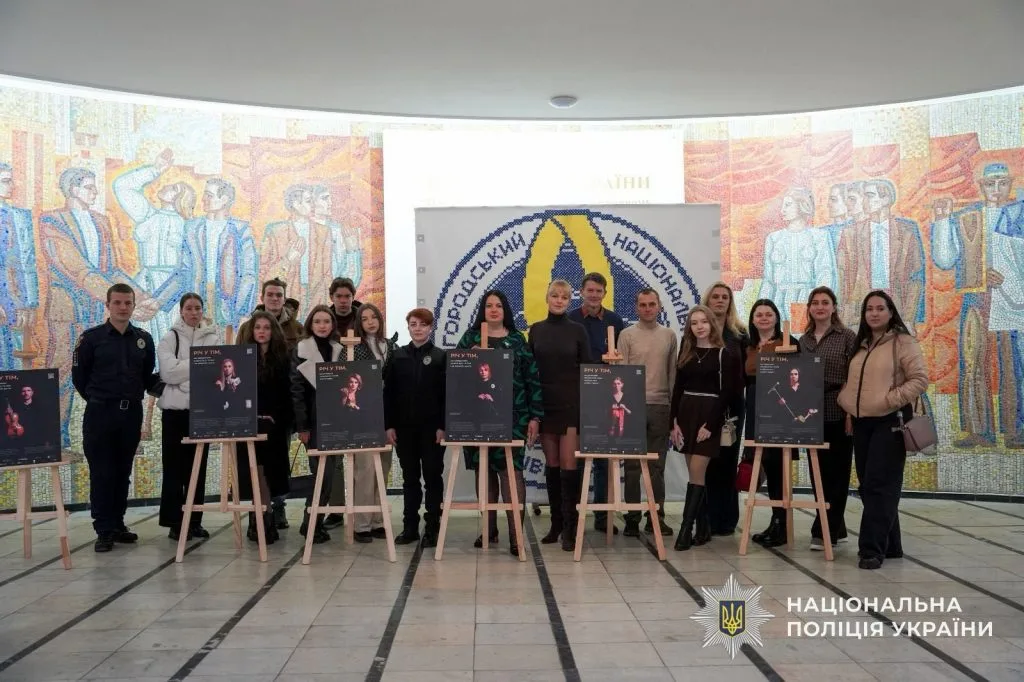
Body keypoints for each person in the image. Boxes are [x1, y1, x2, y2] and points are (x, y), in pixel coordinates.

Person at [838, 290, 928, 570]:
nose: (874, 313)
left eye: (880, 308)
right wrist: (849, 406)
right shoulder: (862, 343)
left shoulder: (903, 342)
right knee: (870, 485)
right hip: (863, 422)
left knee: (879, 485)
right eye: (869, 309)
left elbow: (919, 379)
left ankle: (871, 549)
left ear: (890, 312)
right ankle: (892, 545)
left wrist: (890, 400)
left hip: (891, 420)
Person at [71, 283, 158, 552]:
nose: (123, 307)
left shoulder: (143, 339)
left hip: (130, 413)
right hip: (100, 413)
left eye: (127, 303)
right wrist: (100, 400)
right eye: (117, 303)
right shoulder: (91, 339)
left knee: (122, 471)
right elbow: (79, 378)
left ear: (133, 306)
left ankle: (118, 524)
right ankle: (104, 529)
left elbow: (146, 376)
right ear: (107, 305)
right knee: (102, 472)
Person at [456, 289, 542, 554]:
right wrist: (469, 358)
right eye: (489, 305)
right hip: (477, 416)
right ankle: (488, 529)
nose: (493, 310)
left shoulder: (517, 339)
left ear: (505, 311)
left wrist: (535, 416)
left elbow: (532, 379)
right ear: (482, 310)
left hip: (513, 416)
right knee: (484, 470)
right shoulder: (469, 339)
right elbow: (456, 377)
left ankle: (516, 535)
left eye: (499, 306)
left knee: (511, 472)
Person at [669, 305, 741, 551]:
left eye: (704, 322)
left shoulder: (724, 354)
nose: (699, 326)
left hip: (709, 416)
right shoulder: (687, 352)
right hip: (686, 414)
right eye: (694, 323)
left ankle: (685, 529)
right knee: (694, 475)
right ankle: (703, 527)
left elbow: (727, 394)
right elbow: (678, 389)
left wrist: (710, 425)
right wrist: (673, 422)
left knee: (697, 472)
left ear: (712, 324)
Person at [237, 278, 303, 530]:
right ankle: (258, 512)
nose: (275, 298)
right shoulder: (246, 328)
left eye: (279, 295)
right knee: (254, 464)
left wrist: (291, 417)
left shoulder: (296, 329)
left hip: (278, 416)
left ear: (284, 298)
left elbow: (292, 381)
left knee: (277, 464)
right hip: (251, 415)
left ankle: (277, 507)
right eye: (270, 294)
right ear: (263, 297)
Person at [530, 280, 592, 551]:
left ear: (570, 300)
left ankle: (571, 527)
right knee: (552, 464)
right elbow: (530, 369)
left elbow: (588, 369)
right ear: (547, 298)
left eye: (564, 297)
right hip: (544, 405)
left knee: (569, 465)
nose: (558, 300)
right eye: (554, 295)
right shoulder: (536, 330)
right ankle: (556, 524)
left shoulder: (578, 330)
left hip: (570, 406)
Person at [799, 286, 857, 550]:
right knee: (818, 474)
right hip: (812, 413)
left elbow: (854, 376)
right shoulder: (804, 340)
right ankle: (837, 526)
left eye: (825, 302)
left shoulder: (847, 337)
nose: (820, 307)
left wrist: (850, 412)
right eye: (815, 302)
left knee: (838, 474)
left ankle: (825, 531)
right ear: (809, 308)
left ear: (834, 307)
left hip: (839, 410)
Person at [156, 292, 218, 540]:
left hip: (201, 412)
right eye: (189, 308)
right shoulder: (170, 338)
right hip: (175, 413)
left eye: (198, 308)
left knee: (197, 468)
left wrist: (184, 376)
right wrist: (197, 365)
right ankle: (175, 521)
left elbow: (213, 373)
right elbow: (168, 373)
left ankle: (194, 520)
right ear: (181, 311)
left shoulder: (212, 337)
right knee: (174, 468)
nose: (194, 312)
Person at [384, 308, 447, 547]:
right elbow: (388, 393)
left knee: (432, 477)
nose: (418, 328)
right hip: (404, 429)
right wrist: (389, 425)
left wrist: (443, 425)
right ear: (408, 327)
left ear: (431, 327)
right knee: (410, 478)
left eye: (423, 324)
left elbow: (447, 395)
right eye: (413, 324)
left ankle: (432, 527)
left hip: (432, 430)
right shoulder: (397, 356)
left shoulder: (441, 357)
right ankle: (410, 527)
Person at [618, 288, 677, 537]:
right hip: (632, 407)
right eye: (642, 305)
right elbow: (621, 374)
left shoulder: (669, 335)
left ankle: (656, 517)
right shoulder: (626, 335)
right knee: (632, 467)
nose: (648, 309)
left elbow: (672, 373)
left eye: (652, 304)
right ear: (636, 308)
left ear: (659, 306)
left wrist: (673, 409)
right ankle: (632, 517)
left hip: (661, 407)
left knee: (657, 467)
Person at [569, 272, 625, 534]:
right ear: (581, 292)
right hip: (578, 397)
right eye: (589, 290)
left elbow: (621, 360)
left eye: (598, 291)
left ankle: (602, 517)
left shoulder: (615, 321)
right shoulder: (571, 319)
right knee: (579, 459)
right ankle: (574, 517)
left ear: (605, 293)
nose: (594, 295)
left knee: (603, 459)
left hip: (606, 397)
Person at [290, 304, 344, 544]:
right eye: (318, 321)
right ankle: (310, 522)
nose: (322, 326)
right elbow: (296, 391)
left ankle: (314, 522)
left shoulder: (339, 349)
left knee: (329, 475)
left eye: (327, 321)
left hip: (336, 421)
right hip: (313, 422)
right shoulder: (301, 350)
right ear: (310, 324)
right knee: (320, 474)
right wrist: (302, 427)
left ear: (333, 325)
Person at [744, 299, 792, 548]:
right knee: (765, 463)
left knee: (778, 466)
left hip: (779, 408)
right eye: (759, 314)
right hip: (755, 407)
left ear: (776, 317)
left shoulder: (788, 343)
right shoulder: (749, 346)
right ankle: (775, 521)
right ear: (752, 320)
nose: (763, 318)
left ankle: (781, 523)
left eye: (768, 314)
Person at [701, 281, 748, 536]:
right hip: (705, 404)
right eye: (715, 296)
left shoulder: (740, 334)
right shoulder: (699, 331)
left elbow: (748, 371)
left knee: (728, 460)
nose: (720, 300)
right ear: (707, 301)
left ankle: (726, 519)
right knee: (707, 460)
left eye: (725, 297)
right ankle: (705, 517)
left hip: (732, 406)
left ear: (730, 302)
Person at [352, 302, 398, 542]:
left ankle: (378, 521)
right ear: (359, 323)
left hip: (386, 415)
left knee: (383, 468)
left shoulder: (391, 346)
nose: (370, 322)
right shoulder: (353, 348)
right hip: (362, 415)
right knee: (365, 470)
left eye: (374, 317)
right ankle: (362, 524)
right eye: (365, 318)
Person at [323, 276, 362, 529]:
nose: (344, 301)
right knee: (335, 456)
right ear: (332, 297)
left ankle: (360, 508)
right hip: (333, 393)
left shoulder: (363, 319)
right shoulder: (325, 320)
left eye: (348, 296)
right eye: (339, 296)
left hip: (360, 391)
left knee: (360, 454)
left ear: (353, 297)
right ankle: (336, 509)